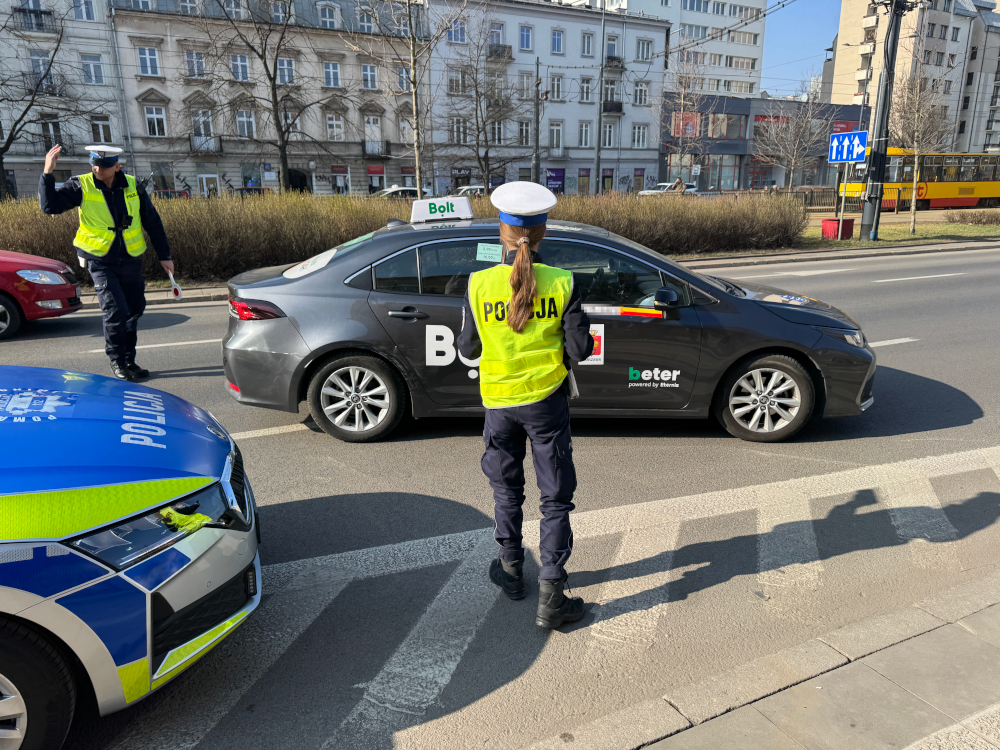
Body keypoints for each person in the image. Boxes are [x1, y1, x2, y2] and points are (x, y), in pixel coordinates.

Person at [458, 182, 595, 630]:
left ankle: (512, 570)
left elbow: (468, 347)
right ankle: (552, 593)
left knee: (506, 489)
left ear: (501, 231)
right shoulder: (563, 282)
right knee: (554, 497)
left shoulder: (479, 284)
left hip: (499, 403)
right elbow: (580, 350)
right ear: (543, 233)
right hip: (546, 405)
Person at [39, 145, 173, 381]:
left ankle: (129, 359)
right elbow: (50, 207)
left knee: (133, 310)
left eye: (104, 165)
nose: (98, 169)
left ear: (117, 167)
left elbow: (152, 221)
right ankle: (118, 361)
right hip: (99, 259)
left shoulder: (133, 185)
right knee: (116, 310)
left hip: (130, 257)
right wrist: (48, 174)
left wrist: (165, 256)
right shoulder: (81, 185)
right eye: (95, 164)